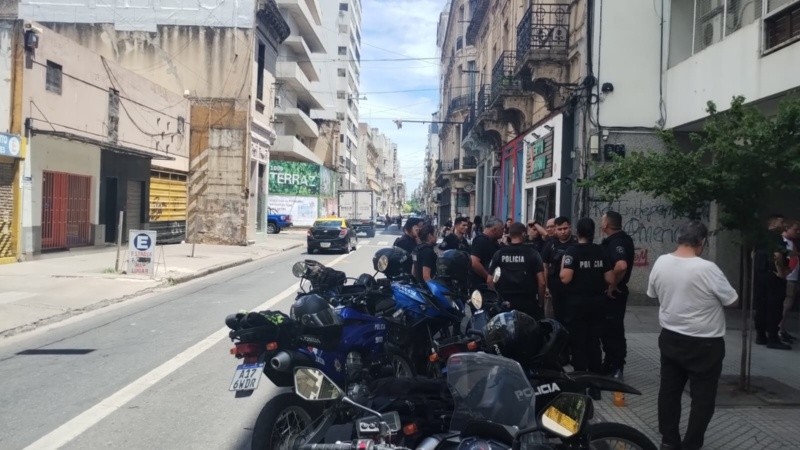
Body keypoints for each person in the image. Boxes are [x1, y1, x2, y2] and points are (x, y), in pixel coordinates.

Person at [647, 220, 738, 450]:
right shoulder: (707, 268)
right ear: (702, 242)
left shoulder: (661, 262)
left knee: (669, 392)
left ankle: (669, 440)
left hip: (670, 338)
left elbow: (652, 293)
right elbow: (732, 300)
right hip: (704, 344)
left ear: (679, 238)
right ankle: (691, 444)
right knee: (703, 398)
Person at [560, 218, 614, 373]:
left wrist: (564, 263)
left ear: (577, 233)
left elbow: (565, 278)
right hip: (597, 302)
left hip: (577, 304)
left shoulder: (572, 251)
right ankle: (595, 378)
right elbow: (610, 279)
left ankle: (581, 377)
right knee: (594, 341)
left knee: (578, 341)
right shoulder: (600, 251)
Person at [599, 210, 635, 378]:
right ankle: (610, 362)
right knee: (607, 330)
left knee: (614, 330)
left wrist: (612, 284)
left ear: (606, 224)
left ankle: (616, 366)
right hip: (610, 293)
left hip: (614, 294)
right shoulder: (617, 240)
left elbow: (621, 265)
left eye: (602, 220)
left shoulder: (617, 242)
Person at [488, 222, 546, 319]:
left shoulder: (499, 253)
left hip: (505, 302)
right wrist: (540, 302)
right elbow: (542, 282)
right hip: (528, 302)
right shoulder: (533, 254)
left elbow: (489, 280)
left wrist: (497, 300)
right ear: (523, 234)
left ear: (510, 235)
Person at [754, 214, 791, 349]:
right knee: (774, 307)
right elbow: (777, 255)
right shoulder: (776, 239)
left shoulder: (760, 238)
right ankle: (773, 339)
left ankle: (761, 335)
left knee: (761, 305)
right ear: (774, 223)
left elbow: (754, 255)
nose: (785, 225)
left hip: (761, 275)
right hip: (773, 277)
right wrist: (781, 273)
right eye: (782, 222)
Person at [541, 216, 577, 321]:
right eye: (560, 229)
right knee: (557, 316)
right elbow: (545, 266)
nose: (563, 232)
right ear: (555, 230)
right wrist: (546, 287)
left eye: (565, 228)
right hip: (555, 286)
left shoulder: (576, 242)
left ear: (570, 227)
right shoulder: (550, 245)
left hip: (573, 286)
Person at [469, 217, 504, 289]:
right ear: (494, 229)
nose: (503, 232)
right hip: (481, 285)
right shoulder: (481, 240)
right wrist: (488, 277)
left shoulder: (494, 242)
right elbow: (474, 262)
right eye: (502, 229)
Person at [779, 220, 799, 342]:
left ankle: (782, 328)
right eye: (795, 229)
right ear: (787, 228)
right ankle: (779, 329)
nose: (797, 232)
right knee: (785, 304)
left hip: (793, 277)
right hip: (789, 277)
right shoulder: (783, 242)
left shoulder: (792, 242)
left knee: (789, 304)